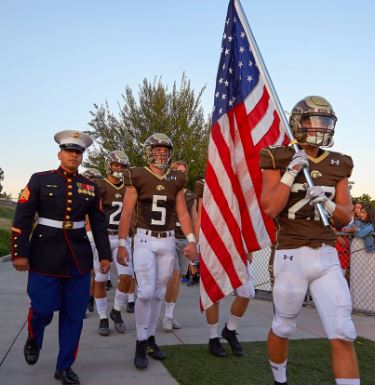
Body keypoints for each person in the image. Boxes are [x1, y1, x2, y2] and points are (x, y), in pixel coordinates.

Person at [260, 96, 360, 385]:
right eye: (314, 120)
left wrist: (328, 205)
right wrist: (291, 172)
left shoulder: (339, 163)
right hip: (291, 254)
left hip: (326, 255)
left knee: (344, 330)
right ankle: (280, 379)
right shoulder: (277, 156)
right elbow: (270, 207)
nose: (321, 127)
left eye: (326, 122)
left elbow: (345, 216)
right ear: (297, 123)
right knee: (284, 325)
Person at [11, 130, 112, 385]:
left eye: (78, 153)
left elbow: (99, 224)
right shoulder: (40, 180)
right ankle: (34, 337)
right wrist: (19, 253)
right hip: (44, 254)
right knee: (43, 309)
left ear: (81, 157)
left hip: (78, 257)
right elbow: (22, 217)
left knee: (73, 316)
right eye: (69, 151)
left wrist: (105, 254)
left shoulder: (90, 187)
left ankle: (64, 366)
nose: (73, 156)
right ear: (60, 154)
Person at [116, 133, 197, 369]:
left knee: (160, 293)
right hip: (144, 239)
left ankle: (150, 338)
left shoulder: (176, 178)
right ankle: (140, 341)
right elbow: (127, 212)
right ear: (148, 152)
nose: (160, 153)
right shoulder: (138, 175)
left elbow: (182, 212)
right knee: (145, 292)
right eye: (156, 150)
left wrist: (192, 240)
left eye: (164, 150)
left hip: (168, 240)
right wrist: (122, 243)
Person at [194, 178, 255, 358]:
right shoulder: (207, 182)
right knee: (214, 291)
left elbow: (246, 216)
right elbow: (199, 217)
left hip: (237, 243)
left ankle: (230, 329)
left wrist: (248, 246)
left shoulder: (239, 183)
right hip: (213, 242)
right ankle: (213, 338)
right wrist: (197, 244)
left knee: (247, 292)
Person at [93, 150, 135, 336]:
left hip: (122, 238)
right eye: (116, 165)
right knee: (101, 279)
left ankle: (116, 311)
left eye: (122, 166)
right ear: (109, 165)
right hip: (102, 237)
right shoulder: (99, 185)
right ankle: (103, 317)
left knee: (127, 276)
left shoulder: (129, 187)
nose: (119, 168)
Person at [162, 161, 195, 331]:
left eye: (183, 171)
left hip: (184, 239)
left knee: (179, 279)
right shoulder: (163, 190)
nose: (180, 174)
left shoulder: (190, 195)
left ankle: (169, 314)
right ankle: (165, 316)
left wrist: (194, 242)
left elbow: (194, 218)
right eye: (176, 171)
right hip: (168, 237)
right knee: (173, 276)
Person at [82, 167, 103, 314]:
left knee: (95, 272)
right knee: (84, 272)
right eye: (91, 179)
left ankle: (90, 299)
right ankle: (83, 301)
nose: (93, 182)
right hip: (82, 236)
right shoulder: (79, 193)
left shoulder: (101, 195)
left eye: (96, 180)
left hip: (96, 235)